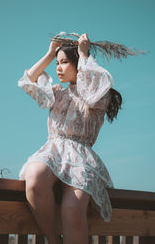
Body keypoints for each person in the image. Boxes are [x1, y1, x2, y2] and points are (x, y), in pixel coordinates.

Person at [18, 33, 122, 244]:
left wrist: (84, 54)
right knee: (35, 177)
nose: (58, 68)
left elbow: (92, 87)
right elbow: (29, 80)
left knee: (72, 210)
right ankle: (54, 240)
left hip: (81, 159)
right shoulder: (56, 93)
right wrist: (50, 54)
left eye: (64, 62)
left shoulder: (98, 95)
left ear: (78, 64)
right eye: (57, 63)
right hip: (52, 152)